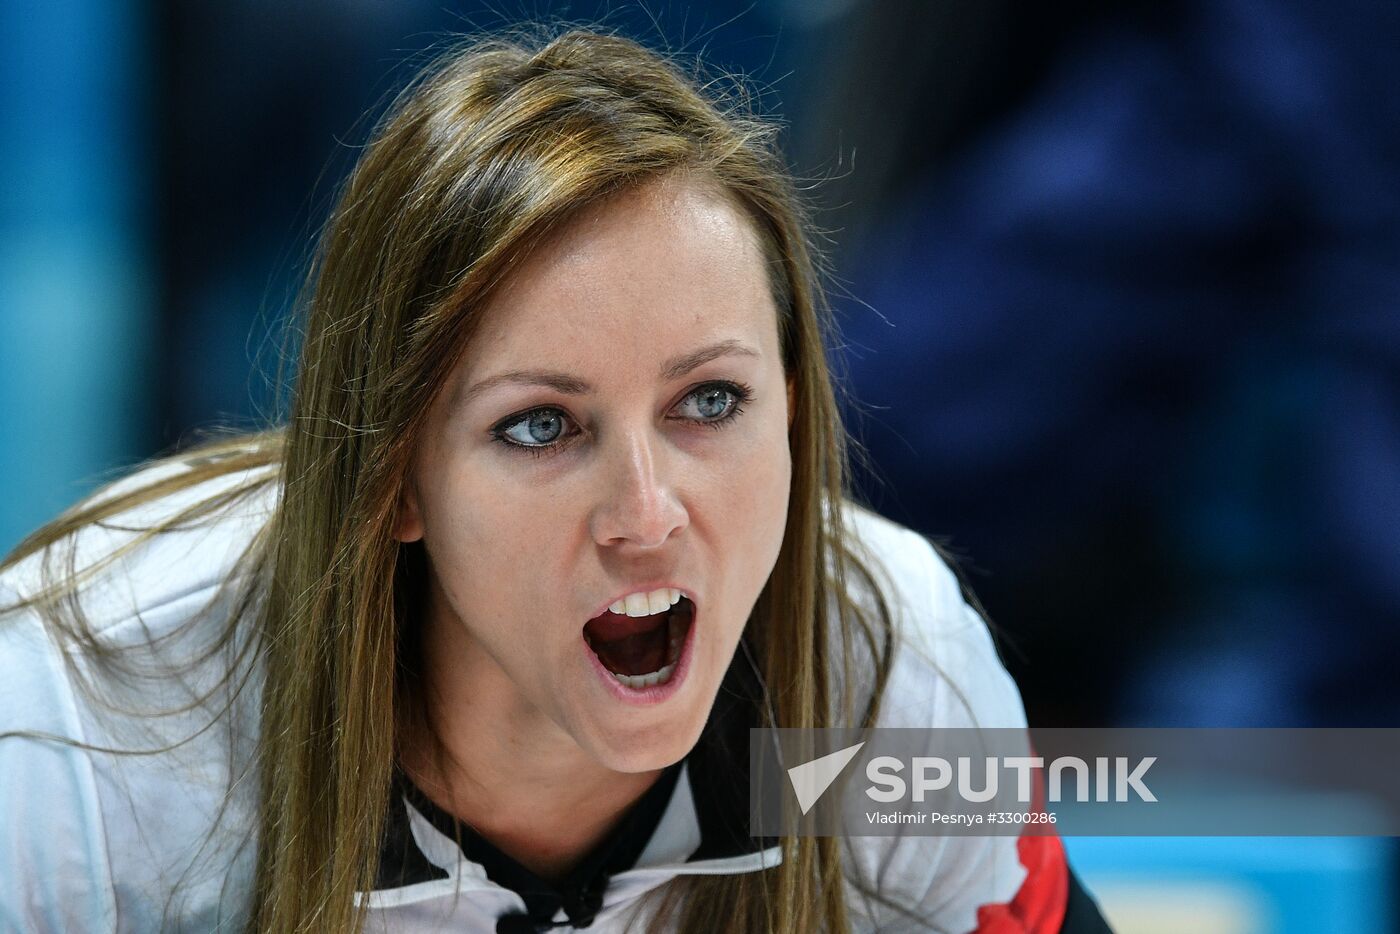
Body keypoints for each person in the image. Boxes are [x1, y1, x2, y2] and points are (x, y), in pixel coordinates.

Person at [0, 29, 1111, 934]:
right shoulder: (87, 723)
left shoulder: (885, 677)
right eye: (541, 425)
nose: (644, 513)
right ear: (392, 478)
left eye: (709, 403)